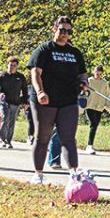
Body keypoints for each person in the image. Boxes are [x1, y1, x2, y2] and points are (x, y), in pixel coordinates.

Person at [28, 18, 89, 182]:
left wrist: (85, 83)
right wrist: (40, 92)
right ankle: (38, 174)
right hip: (45, 100)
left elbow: (82, 74)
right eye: (62, 30)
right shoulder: (44, 49)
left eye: (68, 32)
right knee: (43, 137)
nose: (65, 34)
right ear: (54, 29)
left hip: (68, 100)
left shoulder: (75, 53)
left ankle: (74, 174)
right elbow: (35, 73)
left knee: (68, 137)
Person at [0, 57, 28, 149]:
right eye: (10, 65)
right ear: (7, 65)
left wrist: (25, 102)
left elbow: (25, 90)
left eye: (14, 65)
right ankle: (3, 139)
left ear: (17, 66)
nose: (12, 67)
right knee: (4, 119)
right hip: (4, 101)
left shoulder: (20, 77)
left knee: (11, 121)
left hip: (15, 102)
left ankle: (9, 140)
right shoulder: (3, 76)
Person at [83, 66, 110, 154]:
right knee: (93, 124)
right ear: (93, 72)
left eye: (99, 74)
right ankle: (89, 146)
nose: (98, 75)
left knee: (95, 125)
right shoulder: (89, 81)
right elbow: (82, 90)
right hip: (89, 106)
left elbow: (108, 94)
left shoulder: (104, 83)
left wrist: (108, 104)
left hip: (99, 107)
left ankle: (90, 145)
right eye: (96, 73)